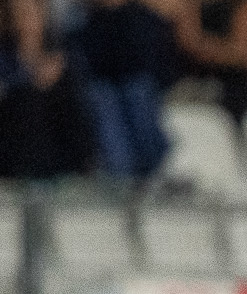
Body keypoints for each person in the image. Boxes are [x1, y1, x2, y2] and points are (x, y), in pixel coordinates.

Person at [73, 0, 179, 180]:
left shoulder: (142, 18)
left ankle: (148, 171)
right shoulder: (85, 22)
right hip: (107, 94)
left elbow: (155, 65)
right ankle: (123, 178)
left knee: (138, 92)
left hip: (141, 92)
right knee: (103, 99)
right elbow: (89, 66)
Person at [0, 0, 95, 179]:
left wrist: (56, 75)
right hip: (17, 151)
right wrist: (32, 83)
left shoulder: (64, 56)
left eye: (30, 13)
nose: (24, 21)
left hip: (58, 149)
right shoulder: (6, 58)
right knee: (27, 100)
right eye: (18, 14)